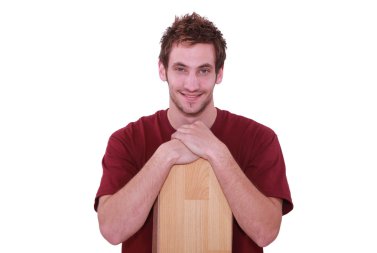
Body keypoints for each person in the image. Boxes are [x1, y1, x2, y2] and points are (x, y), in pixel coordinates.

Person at [94, 12, 293, 253]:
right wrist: (165, 155)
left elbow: (265, 232)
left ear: (219, 73)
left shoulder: (260, 139)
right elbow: (112, 231)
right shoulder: (126, 140)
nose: (191, 84)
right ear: (162, 69)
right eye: (180, 69)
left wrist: (217, 152)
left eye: (203, 70)